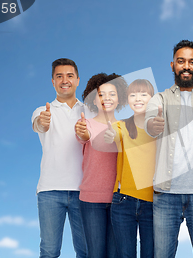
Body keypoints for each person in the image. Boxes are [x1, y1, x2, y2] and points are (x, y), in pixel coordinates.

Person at [145, 39, 193, 258]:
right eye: (181, 61)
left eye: (192, 62)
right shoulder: (159, 98)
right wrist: (154, 124)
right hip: (165, 195)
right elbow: (150, 121)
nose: (186, 66)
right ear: (173, 65)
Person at [31, 58, 88, 258]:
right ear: (53, 82)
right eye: (59, 76)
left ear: (78, 80)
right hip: (50, 190)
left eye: (70, 76)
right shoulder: (42, 111)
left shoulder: (89, 111)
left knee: (86, 251)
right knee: (49, 251)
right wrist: (43, 122)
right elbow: (39, 125)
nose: (65, 80)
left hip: (84, 192)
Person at [74, 73, 127, 258]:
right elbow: (83, 135)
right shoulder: (85, 124)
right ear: (93, 99)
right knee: (95, 254)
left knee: (115, 255)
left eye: (112, 94)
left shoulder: (126, 127)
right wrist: (83, 134)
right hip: (91, 201)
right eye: (101, 94)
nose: (106, 98)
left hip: (120, 201)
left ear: (119, 98)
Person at [106, 79, 156, 258]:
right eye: (133, 95)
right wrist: (109, 134)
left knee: (150, 254)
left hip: (153, 202)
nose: (138, 98)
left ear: (153, 98)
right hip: (123, 201)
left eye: (144, 94)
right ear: (127, 100)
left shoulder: (159, 129)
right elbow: (112, 134)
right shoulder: (121, 126)